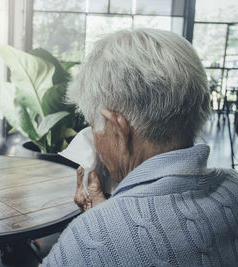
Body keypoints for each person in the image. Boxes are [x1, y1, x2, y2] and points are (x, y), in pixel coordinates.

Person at [42, 29, 238, 266]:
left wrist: (100, 227)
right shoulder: (233, 188)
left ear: (117, 128)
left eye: (93, 126)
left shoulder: (87, 240)